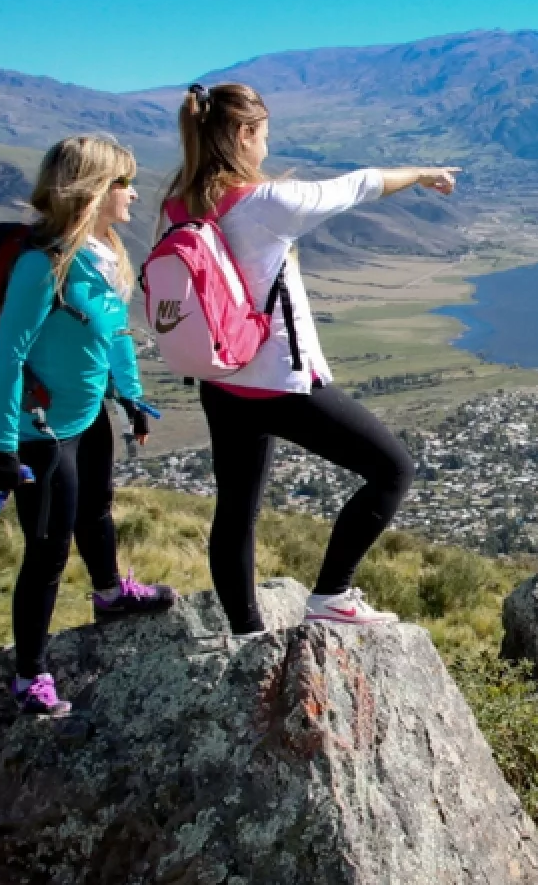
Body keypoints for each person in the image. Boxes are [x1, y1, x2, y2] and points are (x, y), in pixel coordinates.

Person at [162, 82, 459, 636]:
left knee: (236, 511)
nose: (267, 146)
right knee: (392, 470)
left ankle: (246, 631)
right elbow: (360, 185)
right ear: (244, 134)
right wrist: (422, 173)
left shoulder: (179, 202)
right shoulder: (270, 204)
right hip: (279, 382)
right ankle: (331, 594)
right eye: (264, 135)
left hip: (220, 379)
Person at [0, 135, 175, 717]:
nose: (133, 193)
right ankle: (29, 676)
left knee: (96, 509)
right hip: (41, 435)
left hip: (88, 417)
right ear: (90, 191)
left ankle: (111, 593)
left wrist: (131, 397)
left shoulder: (104, 253)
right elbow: (9, 357)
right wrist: (0, 448)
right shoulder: (42, 265)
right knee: (46, 553)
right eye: (122, 183)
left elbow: (115, 333)